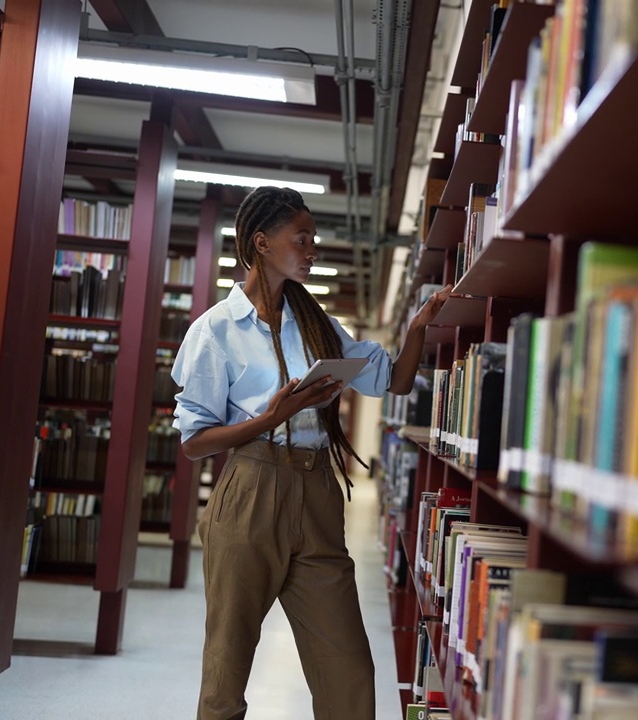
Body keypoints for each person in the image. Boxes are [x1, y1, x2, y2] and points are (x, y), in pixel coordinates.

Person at [170, 186, 451, 720]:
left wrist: (418, 327)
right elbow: (193, 443)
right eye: (302, 239)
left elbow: (395, 380)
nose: (312, 249)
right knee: (226, 672)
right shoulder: (215, 330)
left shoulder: (316, 324)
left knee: (348, 670)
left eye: (313, 240)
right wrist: (270, 418)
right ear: (262, 242)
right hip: (251, 492)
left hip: (318, 494)